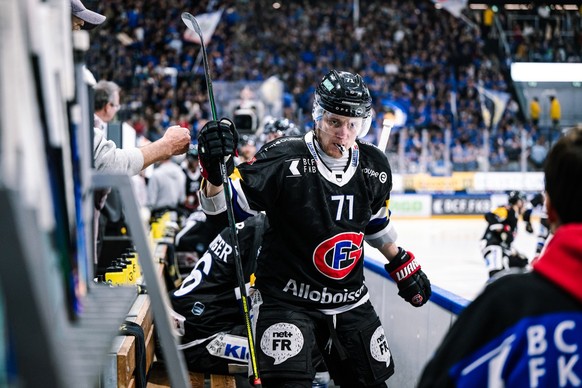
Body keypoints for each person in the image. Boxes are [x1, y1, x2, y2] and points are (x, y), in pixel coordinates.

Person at [197, 69, 431, 386]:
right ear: (318, 116)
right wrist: (213, 172)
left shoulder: (375, 165)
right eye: (335, 122)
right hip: (286, 301)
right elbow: (222, 208)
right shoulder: (282, 158)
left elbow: (373, 221)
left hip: (350, 300)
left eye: (353, 124)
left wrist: (400, 260)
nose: (344, 133)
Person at [418, 126, 582, 387]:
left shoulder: (508, 305)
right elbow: (492, 219)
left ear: (549, 208)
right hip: (493, 247)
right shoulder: (506, 212)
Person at [480, 190, 529, 278]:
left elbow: (507, 237)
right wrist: (500, 227)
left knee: (522, 262)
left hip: (502, 247)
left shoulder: (514, 215)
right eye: (523, 201)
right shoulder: (507, 209)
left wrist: (513, 251)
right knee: (496, 274)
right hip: (492, 244)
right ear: (518, 202)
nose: (524, 204)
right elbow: (489, 215)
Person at [522, 191, 551, 258]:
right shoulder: (543, 195)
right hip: (550, 219)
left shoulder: (543, 194)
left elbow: (528, 207)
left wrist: (527, 221)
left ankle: (537, 255)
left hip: (545, 219)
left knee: (542, 238)